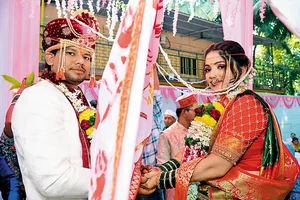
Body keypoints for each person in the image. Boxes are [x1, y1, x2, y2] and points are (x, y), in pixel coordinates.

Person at [139, 40, 299, 199]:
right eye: (208, 69)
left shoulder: (247, 104)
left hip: (244, 193)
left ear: (243, 70)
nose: (212, 76)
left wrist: (160, 180)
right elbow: (193, 149)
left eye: (221, 66)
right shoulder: (219, 106)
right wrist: (162, 169)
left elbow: (218, 165)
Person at [11, 10, 99, 199]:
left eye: (87, 56)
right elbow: (53, 180)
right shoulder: (39, 97)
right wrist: (115, 179)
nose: (80, 61)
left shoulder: (74, 98)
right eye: (70, 52)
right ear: (50, 58)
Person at [156, 94, 198, 200]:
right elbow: (163, 165)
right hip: (175, 189)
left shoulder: (198, 131)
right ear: (184, 112)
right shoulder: (167, 134)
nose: (199, 113)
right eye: (195, 110)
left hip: (198, 185)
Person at [136, 65, 165, 200]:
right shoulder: (126, 126)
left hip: (155, 182)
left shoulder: (154, 117)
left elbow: (157, 93)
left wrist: (151, 66)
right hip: (135, 185)